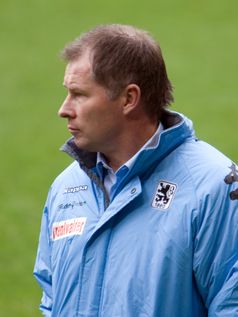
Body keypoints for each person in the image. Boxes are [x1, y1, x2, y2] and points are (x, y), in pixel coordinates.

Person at [34, 24, 238, 316]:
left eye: (78, 94)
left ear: (129, 99)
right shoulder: (66, 188)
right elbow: (51, 300)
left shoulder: (215, 186)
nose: (64, 109)